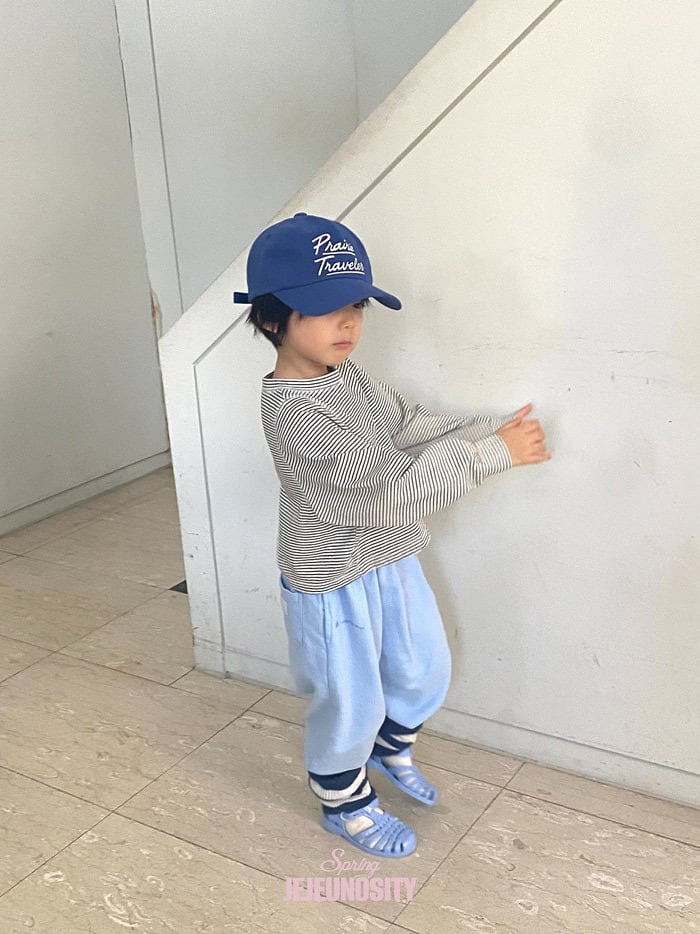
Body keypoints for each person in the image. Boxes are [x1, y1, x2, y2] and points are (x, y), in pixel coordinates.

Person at [234, 212, 550, 859]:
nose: (347, 322)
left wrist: (487, 430)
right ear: (271, 319)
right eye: (325, 308)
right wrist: (494, 454)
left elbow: (408, 427)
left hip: (389, 556)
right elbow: (384, 490)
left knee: (423, 667)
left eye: (355, 305)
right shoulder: (294, 413)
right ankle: (343, 801)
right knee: (348, 698)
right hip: (330, 579)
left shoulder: (347, 377)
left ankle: (388, 747)